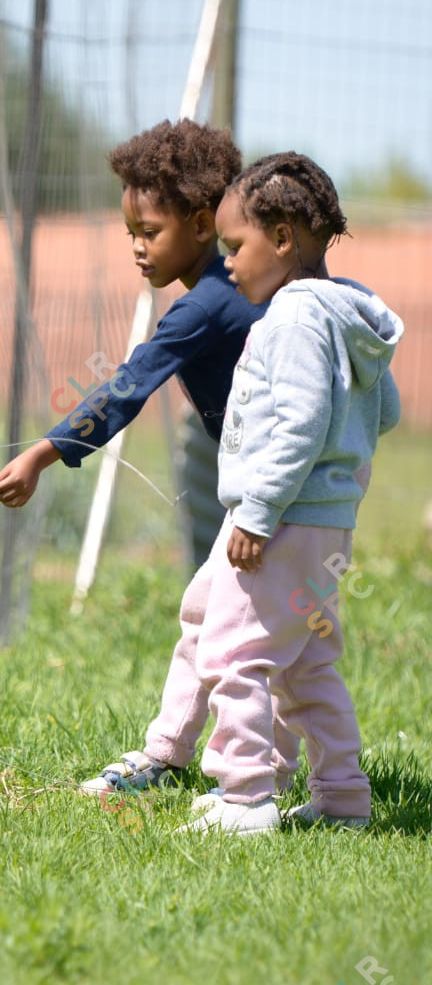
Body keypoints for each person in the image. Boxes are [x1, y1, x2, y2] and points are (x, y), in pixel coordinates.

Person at [0, 118, 292, 795]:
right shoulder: (250, 289)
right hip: (286, 489)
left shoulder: (206, 307)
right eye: (131, 234)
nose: (137, 248)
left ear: (204, 224)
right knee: (239, 624)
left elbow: (128, 386)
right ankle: (203, 759)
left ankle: (251, 782)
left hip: (277, 497)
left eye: (149, 233)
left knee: (236, 630)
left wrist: (42, 452)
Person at [174, 153, 401, 834]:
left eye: (234, 246)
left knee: (234, 653)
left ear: (281, 238)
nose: (228, 264)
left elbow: (302, 421)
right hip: (325, 527)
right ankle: (341, 798)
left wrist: (262, 508)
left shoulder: (293, 319)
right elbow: (381, 412)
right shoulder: (346, 319)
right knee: (304, 664)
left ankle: (245, 796)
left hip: (282, 522)